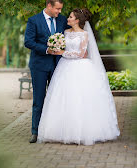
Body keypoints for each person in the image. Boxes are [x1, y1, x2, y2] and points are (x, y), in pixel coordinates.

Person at [37, 8, 120, 145]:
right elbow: (65, 47)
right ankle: (62, 131)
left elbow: (81, 54)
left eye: (70, 17)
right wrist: (58, 48)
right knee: (64, 98)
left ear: (77, 20)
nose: (67, 19)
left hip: (80, 67)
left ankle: (84, 132)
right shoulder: (65, 32)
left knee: (81, 98)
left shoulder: (84, 35)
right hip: (65, 67)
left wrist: (61, 53)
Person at [24, 0, 69, 143]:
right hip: (39, 66)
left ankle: (55, 131)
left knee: (57, 99)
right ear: (49, 6)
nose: (59, 11)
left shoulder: (62, 20)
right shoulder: (33, 20)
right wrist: (46, 50)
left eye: (60, 9)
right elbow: (28, 42)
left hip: (58, 66)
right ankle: (35, 132)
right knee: (39, 99)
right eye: (57, 8)